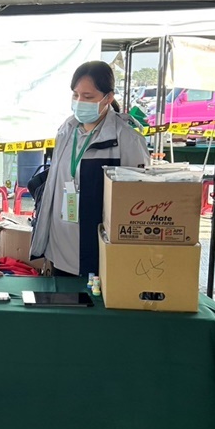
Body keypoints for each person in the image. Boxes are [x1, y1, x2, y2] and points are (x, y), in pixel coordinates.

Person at [30, 61, 150, 277]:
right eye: (75, 95)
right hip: (59, 247)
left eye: (88, 97)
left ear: (108, 98)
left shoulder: (127, 139)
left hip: (99, 251)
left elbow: (139, 201)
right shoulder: (66, 130)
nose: (79, 102)